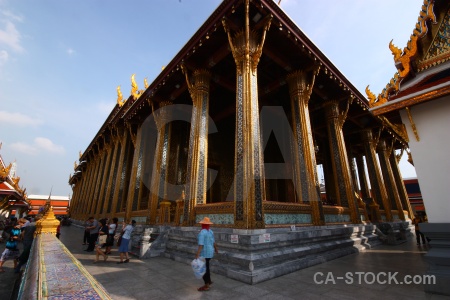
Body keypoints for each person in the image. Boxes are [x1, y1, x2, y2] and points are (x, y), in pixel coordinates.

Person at [195, 217, 218, 292]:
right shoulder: (210, 231)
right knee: (207, 267)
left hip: (204, 253)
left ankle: (206, 285)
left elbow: (201, 244)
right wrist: (216, 249)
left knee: (204, 269)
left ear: (202, 224)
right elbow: (214, 242)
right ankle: (209, 281)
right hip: (210, 252)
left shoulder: (202, 232)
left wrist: (197, 254)